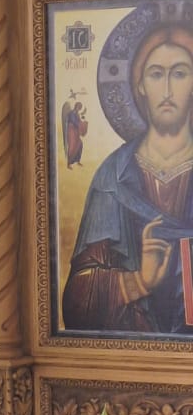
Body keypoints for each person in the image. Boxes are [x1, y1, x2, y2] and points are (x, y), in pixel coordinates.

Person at [63, 24, 193, 334]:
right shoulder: (112, 177)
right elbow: (76, 304)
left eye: (179, 73)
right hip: (132, 351)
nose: (167, 90)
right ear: (140, 86)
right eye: (156, 74)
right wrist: (138, 281)